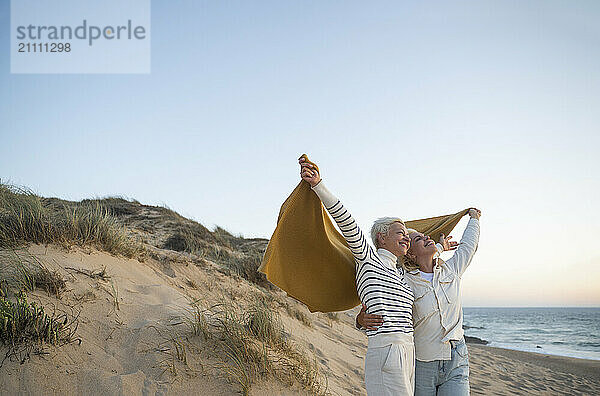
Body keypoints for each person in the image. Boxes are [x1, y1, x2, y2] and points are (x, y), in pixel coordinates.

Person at [299, 157, 416, 396]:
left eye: (407, 235)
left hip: (409, 350)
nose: (406, 238)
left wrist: (359, 321)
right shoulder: (368, 258)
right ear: (382, 237)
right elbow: (347, 222)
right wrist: (318, 185)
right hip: (386, 350)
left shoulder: (403, 273)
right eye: (400, 233)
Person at [357, 209, 481, 395]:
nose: (427, 239)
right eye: (418, 240)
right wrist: (360, 321)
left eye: (426, 236)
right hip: (423, 363)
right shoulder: (403, 281)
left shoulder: (451, 270)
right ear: (410, 254)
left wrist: (474, 219)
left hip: (457, 359)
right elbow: (380, 299)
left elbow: (468, 246)